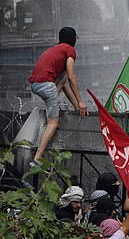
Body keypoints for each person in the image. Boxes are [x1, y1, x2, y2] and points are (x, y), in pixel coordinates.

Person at [28, 26, 88, 164]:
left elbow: (65, 83)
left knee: (62, 79)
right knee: (53, 123)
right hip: (47, 85)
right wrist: (81, 101)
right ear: (73, 39)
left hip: (36, 85)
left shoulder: (54, 49)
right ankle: (37, 159)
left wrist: (76, 106)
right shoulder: (69, 50)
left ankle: (54, 111)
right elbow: (72, 76)